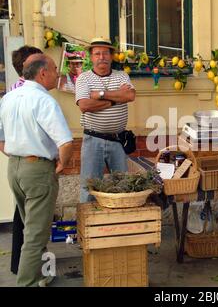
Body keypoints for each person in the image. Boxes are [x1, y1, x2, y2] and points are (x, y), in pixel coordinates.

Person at [0, 54, 73, 287]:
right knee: (35, 234)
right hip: (37, 169)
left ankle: (40, 275)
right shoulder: (44, 100)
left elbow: (0, 138)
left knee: (32, 227)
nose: (57, 73)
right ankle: (27, 283)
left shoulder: (9, 97)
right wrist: (62, 163)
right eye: (54, 69)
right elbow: (65, 142)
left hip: (15, 168)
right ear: (43, 73)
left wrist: (17, 155)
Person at [75, 38, 136, 202]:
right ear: (91, 57)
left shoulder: (122, 76)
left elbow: (130, 95)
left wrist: (100, 94)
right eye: (97, 53)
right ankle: (88, 226)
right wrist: (116, 98)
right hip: (93, 140)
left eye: (105, 53)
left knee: (123, 186)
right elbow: (84, 105)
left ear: (111, 56)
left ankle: (120, 224)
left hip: (118, 140)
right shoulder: (84, 78)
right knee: (89, 187)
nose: (101, 57)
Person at [8, 45, 43, 276]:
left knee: (24, 218)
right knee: (31, 223)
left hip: (19, 163)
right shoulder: (28, 92)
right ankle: (28, 273)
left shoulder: (13, 91)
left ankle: (19, 266)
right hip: (31, 164)